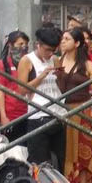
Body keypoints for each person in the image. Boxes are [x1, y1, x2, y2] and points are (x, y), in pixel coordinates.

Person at [54, 28, 92, 183]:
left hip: (83, 111)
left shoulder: (88, 65)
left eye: (67, 39)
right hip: (62, 111)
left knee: (84, 152)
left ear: (76, 43)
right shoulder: (57, 62)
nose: (62, 42)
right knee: (66, 152)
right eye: (62, 39)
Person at [19, 25, 68, 168]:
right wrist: (42, 75)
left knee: (59, 160)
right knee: (39, 162)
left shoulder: (55, 59)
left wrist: (61, 76)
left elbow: (62, 86)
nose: (50, 53)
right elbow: (21, 89)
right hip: (37, 115)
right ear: (38, 45)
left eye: (53, 50)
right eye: (47, 50)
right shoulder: (27, 60)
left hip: (58, 114)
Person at [0, 31, 31, 140]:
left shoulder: (29, 62)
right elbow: (0, 92)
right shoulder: (1, 65)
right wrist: (3, 116)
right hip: (12, 114)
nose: (23, 47)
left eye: (25, 44)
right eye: (20, 44)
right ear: (10, 45)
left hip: (29, 111)